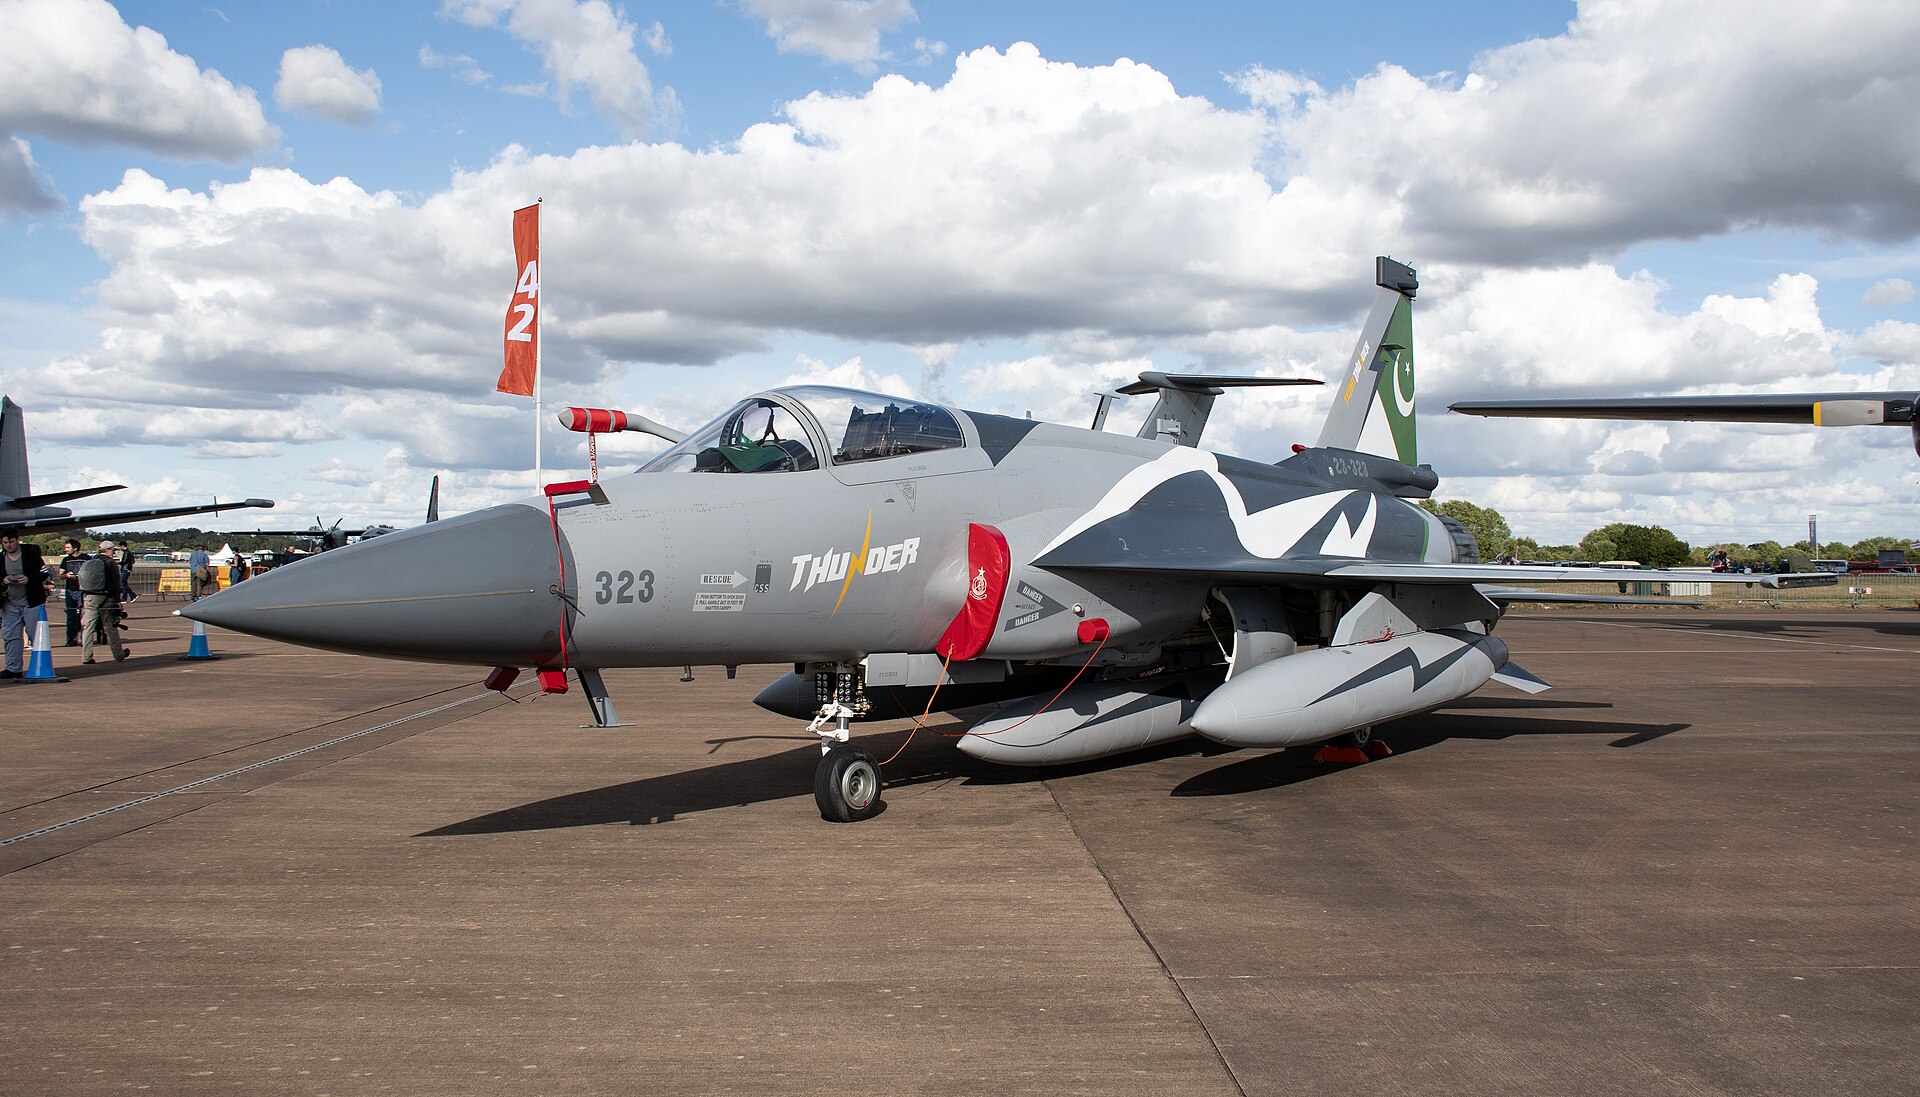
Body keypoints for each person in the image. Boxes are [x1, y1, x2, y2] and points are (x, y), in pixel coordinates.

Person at [2, 530, 51, 679]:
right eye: (5, 543)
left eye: (11, 542)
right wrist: (3, 581)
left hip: (32, 601)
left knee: (35, 634)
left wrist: (29, 579)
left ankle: (41, 666)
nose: (8, 545)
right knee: (11, 636)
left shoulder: (30, 553)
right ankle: (13, 668)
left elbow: (44, 572)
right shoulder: (1, 557)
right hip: (9, 602)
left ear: (17, 540)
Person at [77, 540, 128, 665]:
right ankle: (118, 654)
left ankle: (86, 656)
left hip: (90, 597)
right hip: (107, 598)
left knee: (88, 627)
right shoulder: (111, 563)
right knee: (111, 626)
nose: (114, 552)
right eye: (112, 550)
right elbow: (116, 584)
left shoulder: (90, 561)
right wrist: (117, 601)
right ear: (107, 550)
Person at [58, 538, 87, 646]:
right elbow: (60, 575)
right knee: (71, 615)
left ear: (75, 548)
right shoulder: (66, 560)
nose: (66, 550)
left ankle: (84, 638)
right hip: (70, 590)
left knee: (83, 615)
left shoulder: (86, 558)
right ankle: (71, 638)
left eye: (68, 547)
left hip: (83, 590)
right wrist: (66, 575)